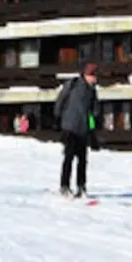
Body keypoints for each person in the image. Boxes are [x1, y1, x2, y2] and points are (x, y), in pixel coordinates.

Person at [52, 63, 99, 198]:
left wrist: (93, 128)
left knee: (83, 160)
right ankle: (64, 186)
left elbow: (94, 110)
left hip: (83, 129)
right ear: (86, 75)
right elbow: (60, 100)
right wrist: (57, 117)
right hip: (70, 127)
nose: (95, 79)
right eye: (93, 76)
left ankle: (81, 186)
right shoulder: (73, 84)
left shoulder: (92, 90)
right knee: (69, 157)